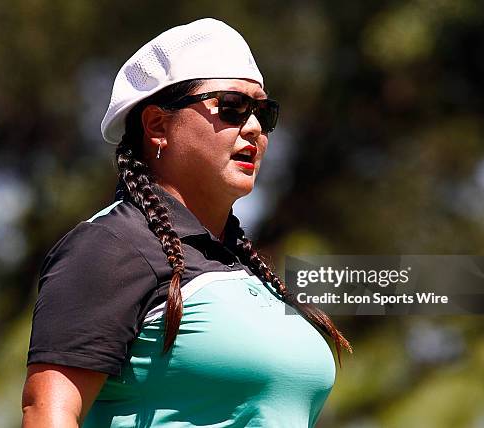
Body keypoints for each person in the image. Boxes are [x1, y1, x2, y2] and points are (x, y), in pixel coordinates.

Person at [22, 18, 352, 428]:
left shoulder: (244, 267)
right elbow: (47, 413)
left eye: (263, 114)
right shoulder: (111, 245)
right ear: (158, 125)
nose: (253, 129)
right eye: (231, 107)